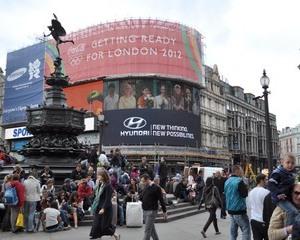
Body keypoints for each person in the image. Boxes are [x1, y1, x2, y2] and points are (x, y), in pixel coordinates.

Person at [268, 153, 298, 226]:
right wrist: (278, 194)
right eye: (288, 162)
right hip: (279, 198)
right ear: (282, 162)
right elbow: (271, 185)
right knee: (292, 211)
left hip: (286, 197)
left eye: (292, 163)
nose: (290, 165)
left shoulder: (290, 174)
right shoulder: (278, 173)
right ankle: (288, 231)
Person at [90, 169, 120, 240]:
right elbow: (96, 196)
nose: (97, 176)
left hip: (106, 208)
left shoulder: (108, 186)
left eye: (99, 175)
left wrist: (103, 208)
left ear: (103, 176)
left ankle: (115, 235)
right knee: (97, 224)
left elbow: (107, 199)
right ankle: (98, 237)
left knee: (105, 226)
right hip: (98, 206)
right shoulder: (100, 184)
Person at [224, 165, 251, 240]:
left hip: (230, 210)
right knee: (246, 230)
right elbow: (244, 194)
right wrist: (246, 186)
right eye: (241, 170)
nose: (242, 172)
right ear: (237, 171)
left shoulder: (227, 181)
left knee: (233, 232)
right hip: (239, 210)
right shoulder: (239, 181)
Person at [140, 174, 167, 240]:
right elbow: (142, 196)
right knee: (151, 230)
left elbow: (161, 200)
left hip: (152, 211)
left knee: (147, 230)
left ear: (147, 180)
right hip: (145, 210)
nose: (142, 183)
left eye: (143, 181)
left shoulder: (156, 188)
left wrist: (164, 211)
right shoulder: (146, 186)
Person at [248, 174, 271, 240]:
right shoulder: (266, 192)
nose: (267, 181)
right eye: (266, 180)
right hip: (263, 221)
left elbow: (250, 206)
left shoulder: (251, 192)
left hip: (254, 220)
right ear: (261, 180)